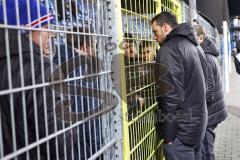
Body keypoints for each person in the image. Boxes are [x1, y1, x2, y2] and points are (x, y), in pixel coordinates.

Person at [0, 0, 79, 159]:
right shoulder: (42, 70)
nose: (51, 34)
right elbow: (61, 142)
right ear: (28, 30)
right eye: (46, 28)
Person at [151, 11, 207, 160]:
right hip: (197, 126)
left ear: (165, 27)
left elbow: (170, 98)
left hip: (180, 133)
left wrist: (169, 138)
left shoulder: (168, 50)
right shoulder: (195, 46)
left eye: (155, 31)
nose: (154, 36)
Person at [194, 24, 228, 160]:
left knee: (207, 150)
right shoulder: (208, 53)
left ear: (201, 38)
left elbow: (208, 88)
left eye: (192, 39)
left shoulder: (206, 57)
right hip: (214, 110)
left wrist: (200, 110)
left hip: (210, 112)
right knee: (206, 148)